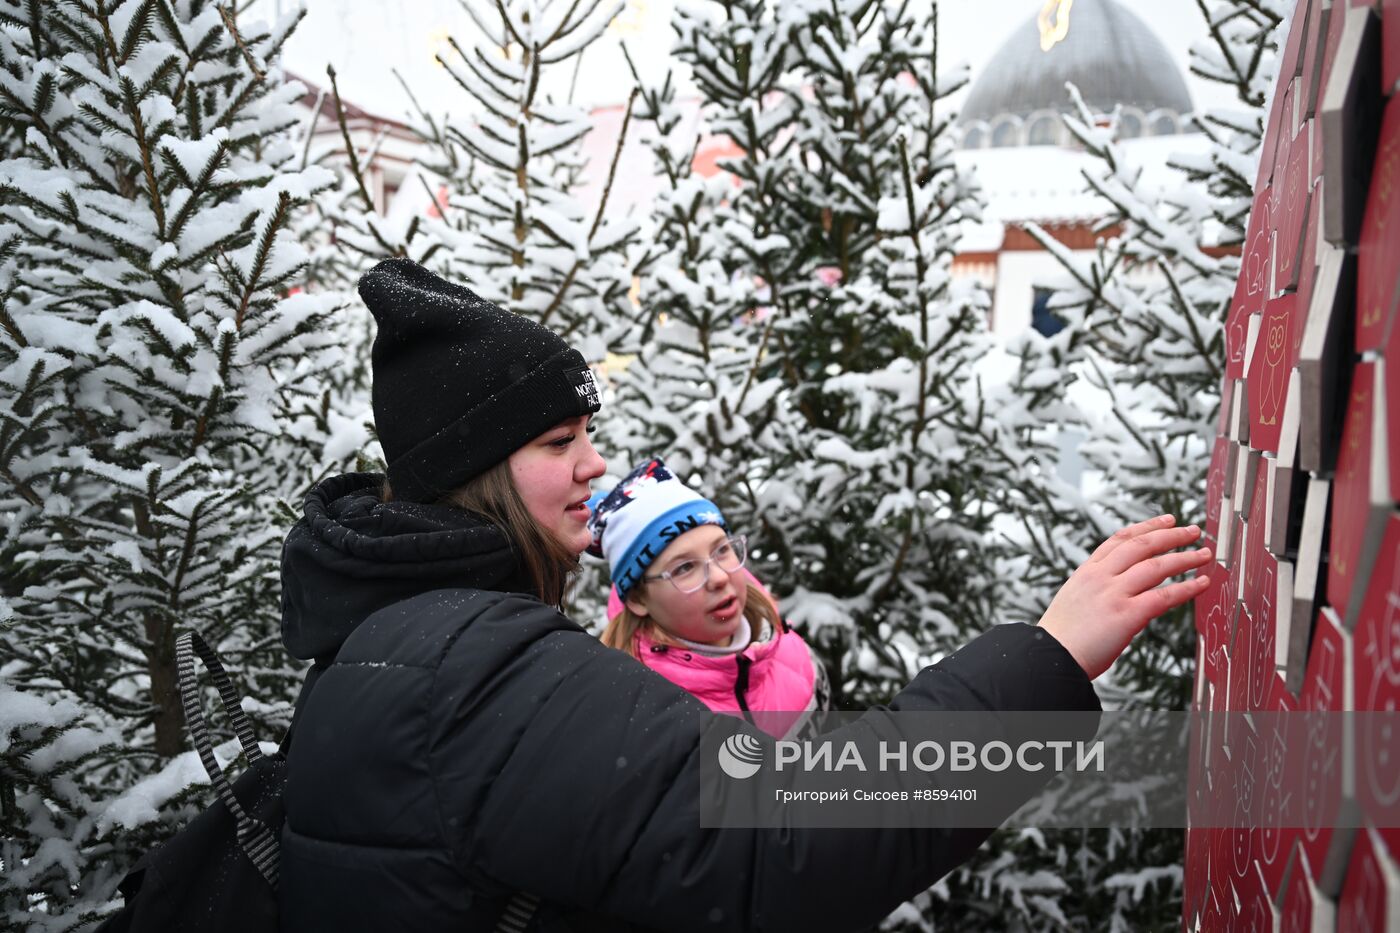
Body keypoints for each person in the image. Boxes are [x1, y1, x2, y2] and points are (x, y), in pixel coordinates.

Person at [278, 258, 1214, 932]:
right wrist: (1045, 662)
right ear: (476, 470)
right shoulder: (480, 669)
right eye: (558, 440)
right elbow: (785, 840)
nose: (595, 462)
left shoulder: (388, 643)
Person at [587, 457, 830, 740]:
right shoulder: (640, 718)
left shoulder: (785, 647)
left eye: (722, 550)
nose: (719, 577)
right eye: (684, 568)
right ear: (638, 599)